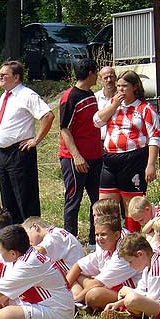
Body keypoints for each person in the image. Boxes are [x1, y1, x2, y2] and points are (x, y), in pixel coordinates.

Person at [0, 61, 54, 224]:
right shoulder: (5, 96)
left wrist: (36, 140)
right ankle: (15, 234)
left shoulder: (27, 94)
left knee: (25, 197)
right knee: (8, 198)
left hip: (19, 152)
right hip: (3, 153)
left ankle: (32, 232)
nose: (0, 77)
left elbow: (48, 116)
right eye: (0, 75)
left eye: (4, 75)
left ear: (16, 77)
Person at [94, 70, 160, 213]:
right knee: (105, 207)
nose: (120, 90)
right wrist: (114, 105)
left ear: (135, 87)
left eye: (124, 86)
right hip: (110, 158)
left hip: (133, 159)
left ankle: (133, 233)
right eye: (118, 86)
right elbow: (97, 122)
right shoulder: (113, 103)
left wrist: (151, 165)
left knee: (132, 208)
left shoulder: (145, 108)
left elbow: (154, 138)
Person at [58, 58, 102, 240]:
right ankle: (70, 240)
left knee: (97, 200)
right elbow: (64, 129)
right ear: (90, 73)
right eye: (96, 72)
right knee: (73, 200)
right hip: (75, 158)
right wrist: (76, 156)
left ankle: (95, 238)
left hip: (95, 156)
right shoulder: (70, 97)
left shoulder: (90, 94)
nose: (97, 76)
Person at [66, 215, 140, 312]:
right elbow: (78, 266)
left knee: (93, 295)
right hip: (107, 286)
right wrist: (63, 291)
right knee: (72, 274)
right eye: (97, 235)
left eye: (103, 234)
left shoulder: (123, 253)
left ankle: (77, 302)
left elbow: (98, 283)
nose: (99, 238)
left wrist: (74, 299)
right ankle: (75, 301)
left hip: (126, 292)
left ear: (116, 235)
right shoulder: (105, 248)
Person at [94, 66, 117, 142]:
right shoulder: (95, 98)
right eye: (106, 78)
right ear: (100, 80)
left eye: (111, 77)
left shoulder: (123, 96)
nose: (109, 80)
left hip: (117, 143)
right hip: (100, 142)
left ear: (116, 78)